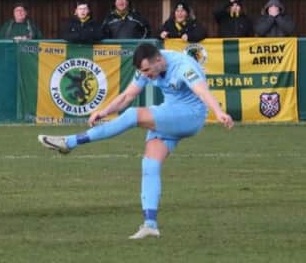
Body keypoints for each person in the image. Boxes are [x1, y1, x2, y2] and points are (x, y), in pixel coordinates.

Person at [38, 42, 233, 239]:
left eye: (148, 70)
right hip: (170, 116)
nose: (146, 75)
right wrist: (104, 112)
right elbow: (128, 96)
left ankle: (69, 142)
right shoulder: (147, 67)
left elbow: (202, 92)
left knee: (133, 115)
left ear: (159, 60)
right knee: (150, 165)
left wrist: (218, 112)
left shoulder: (183, 66)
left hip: (190, 116)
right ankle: (150, 225)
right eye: (143, 71)